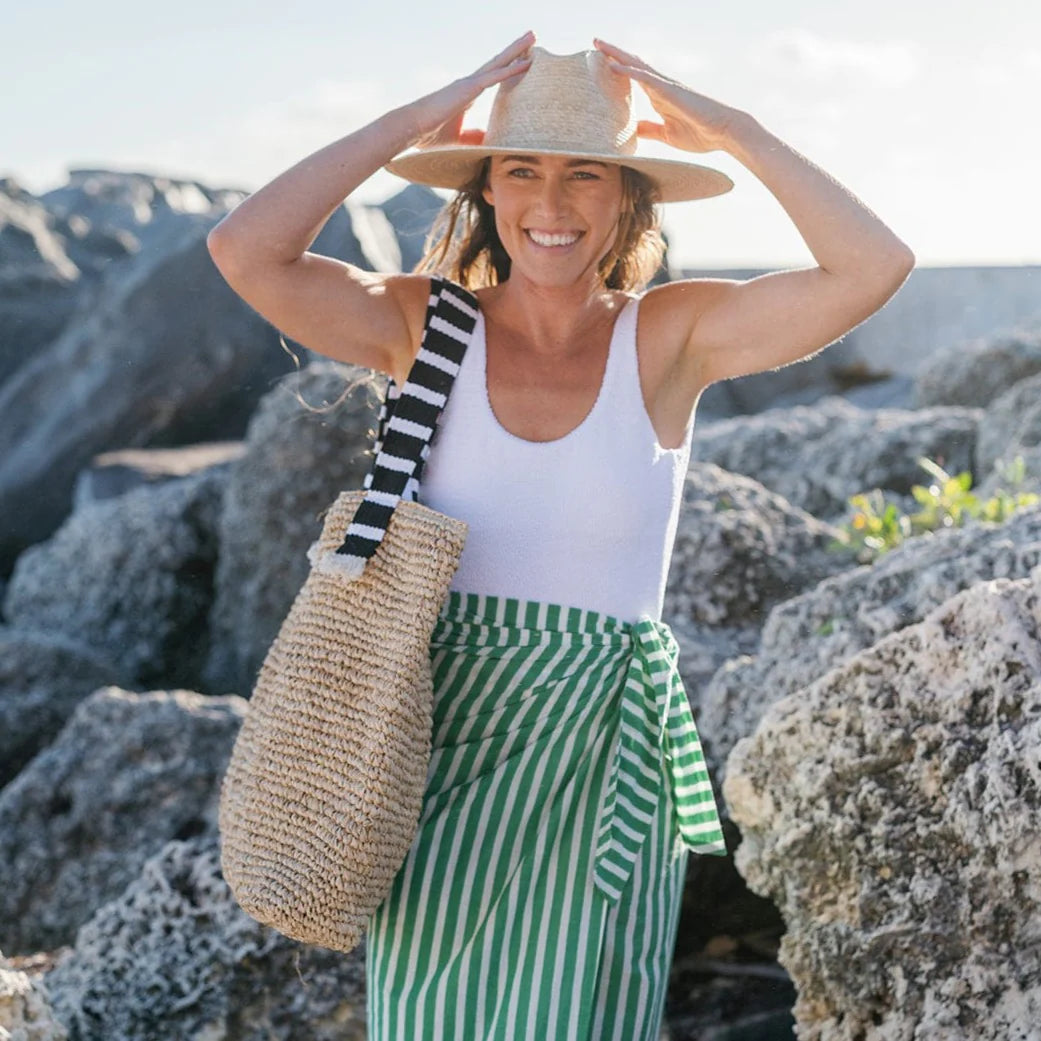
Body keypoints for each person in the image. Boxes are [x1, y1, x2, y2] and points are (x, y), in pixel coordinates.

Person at [207, 31, 914, 1041]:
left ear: (628, 198)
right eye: (521, 170)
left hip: (606, 749)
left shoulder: (668, 338)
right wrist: (414, 122)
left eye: (586, 173)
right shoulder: (422, 327)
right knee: (434, 1018)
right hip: (442, 739)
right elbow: (245, 251)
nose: (551, 202)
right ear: (486, 192)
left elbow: (874, 264)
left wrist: (734, 130)